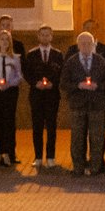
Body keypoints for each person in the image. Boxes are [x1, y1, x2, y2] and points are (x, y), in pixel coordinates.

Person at [63, 29, 105, 177]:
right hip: (77, 105)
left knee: (97, 137)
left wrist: (98, 86)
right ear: (78, 45)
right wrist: (78, 85)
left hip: (97, 105)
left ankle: (95, 167)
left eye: (88, 43)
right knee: (77, 137)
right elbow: (64, 83)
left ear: (93, 44)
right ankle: (78, 167)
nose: (85, 46)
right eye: (82, 43)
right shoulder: (71, 62)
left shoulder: (100, 60)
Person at [23, 25, 67, 168]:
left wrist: (53, 84)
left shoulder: (58, 54)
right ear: (38, 36)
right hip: (36, 94)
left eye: (48, 35)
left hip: (52, 95)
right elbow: (27, 72)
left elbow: (62, 73)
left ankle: (50, 156)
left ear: (52, 36)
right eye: (42, 35)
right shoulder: (31, 54)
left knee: (51, 126)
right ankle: (38, 157)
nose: (45, 37)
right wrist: (35, 83)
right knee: (37, 126)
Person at [0, 21, 24, 168]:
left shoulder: (15, 58)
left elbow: (19, 77)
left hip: (10, 92)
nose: (4, 42)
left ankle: (8, 153)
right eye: (2, 39)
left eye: (7, 39)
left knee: (9, 122)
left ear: (10, 42)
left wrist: (10, 83)